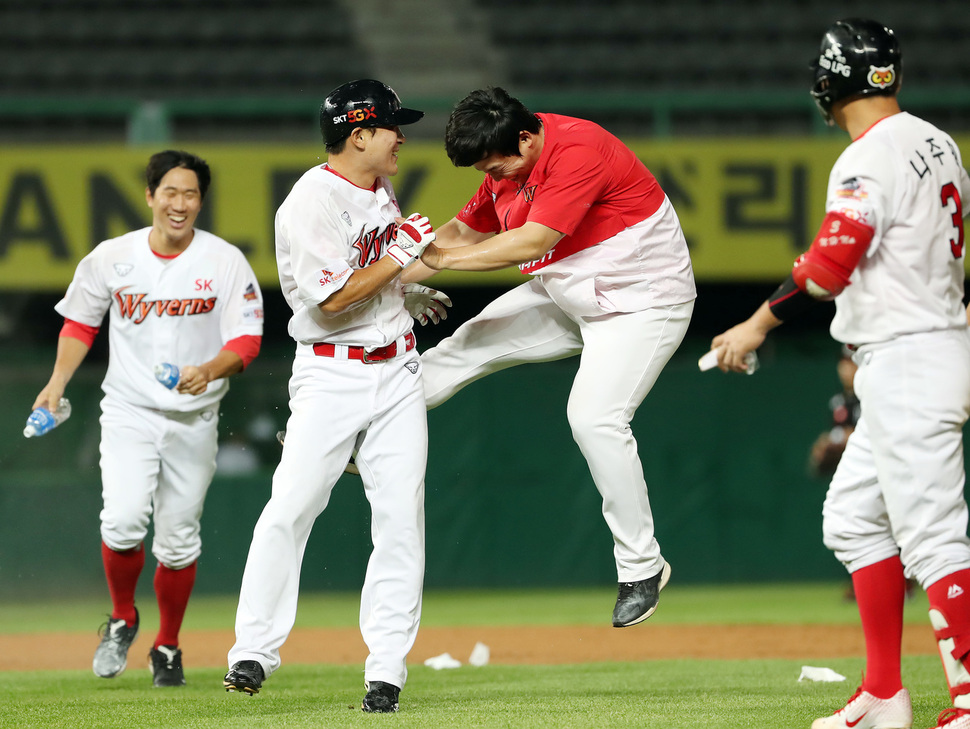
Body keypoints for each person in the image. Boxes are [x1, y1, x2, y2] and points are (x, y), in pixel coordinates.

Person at [710, 18, 970, 729]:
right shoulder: (938, 142)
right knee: (855, 520)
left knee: (934, 534)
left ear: (828, 83)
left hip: (910, 355)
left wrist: (756, 323)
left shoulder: (868, 157)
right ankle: (885, 694)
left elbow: (829, 264)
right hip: (922, 347)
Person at [412, 86, 696, 628]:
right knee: (464, 346)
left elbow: (526, 242)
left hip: (642, 304)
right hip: (570, 292)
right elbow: (459, 232)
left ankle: (642, 566)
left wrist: (442, 260)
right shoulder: (508, 160)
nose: (495, 178)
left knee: (594, 419)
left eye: (499, 167)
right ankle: (360, 425)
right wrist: (391, 277)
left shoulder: (577, 149)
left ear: (525, 136)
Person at [223, 79, 441, 714]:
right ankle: (252, 652)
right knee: (292, 507)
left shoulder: (379, 188)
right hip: (332, 374)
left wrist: (402, 288)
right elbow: (333, 299)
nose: (403, 136)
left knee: (401, 521)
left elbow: (374, 276)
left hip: (397, 369)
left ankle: (386, 672)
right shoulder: (311, 201)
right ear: (359, 134)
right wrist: (396, 260)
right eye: (393, 126)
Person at [31, 150, 264, 687]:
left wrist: (209, 369)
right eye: (171, 192)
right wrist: (57, 382)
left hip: (195, 415)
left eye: (191, 194)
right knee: (123, 519)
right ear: (150, 195)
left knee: (179, 540)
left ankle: (168, 645)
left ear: (201, 201)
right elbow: (81, 325)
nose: (180, 204)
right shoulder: (113, 257)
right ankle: (122, 617)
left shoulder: (224, 260)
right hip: (130, 410)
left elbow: (247, 339)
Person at [808, 346, 860, 479]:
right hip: (849, 469)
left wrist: (836, 439)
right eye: (843, 362)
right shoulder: (838, 401)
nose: (845, 368)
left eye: (850, 362)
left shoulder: (868, 397)